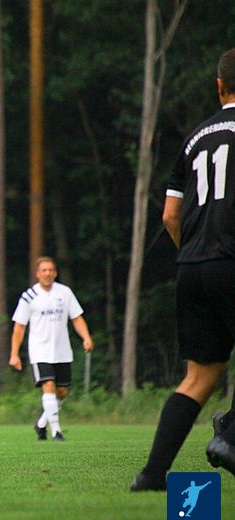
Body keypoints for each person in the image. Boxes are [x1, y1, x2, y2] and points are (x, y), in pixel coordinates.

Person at [131, 48, 235, 491]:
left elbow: (170, 215)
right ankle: (228, 437)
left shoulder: (195, 138)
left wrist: (194, 252)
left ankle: (152, 475)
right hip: (231, 259)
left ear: (219, 85)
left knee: (199, 376)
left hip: (192, 265)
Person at [8, 256, 93, 442]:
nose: (47, 273)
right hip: (40, 350)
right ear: (37, 274)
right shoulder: (29, 296)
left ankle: (41, 423)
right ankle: (56, 431)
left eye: (50, 270)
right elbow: (19, 327)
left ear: (55, 273)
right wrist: (14, 354)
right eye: (44, 270)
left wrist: (86, 337)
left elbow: (76, 317)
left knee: (61, 392)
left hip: (62, 350)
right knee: (48, 385)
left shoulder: (65, 292)